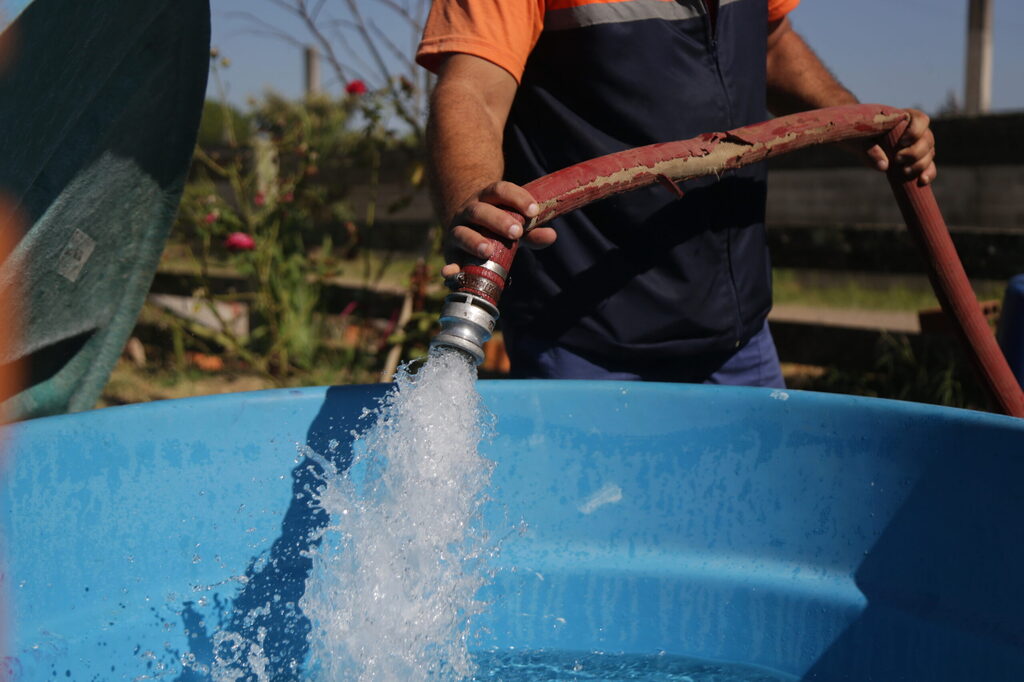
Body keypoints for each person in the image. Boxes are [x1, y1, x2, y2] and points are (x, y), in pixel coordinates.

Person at [416, 0, 936, 385]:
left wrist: (852, 118)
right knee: (599, 529)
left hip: (737, 335)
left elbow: (772, 42)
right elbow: (473, 89)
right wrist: (476, 196)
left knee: (752, 525)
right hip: (586, 338)